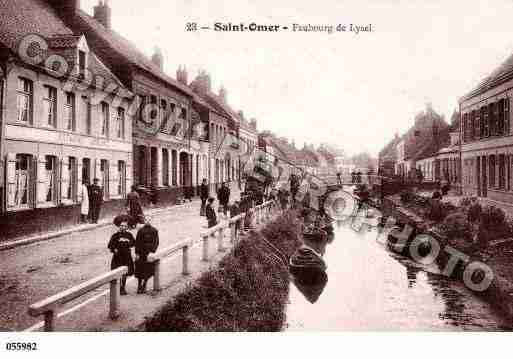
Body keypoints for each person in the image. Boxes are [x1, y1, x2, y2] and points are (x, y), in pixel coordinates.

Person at [108, 221, 135, 295]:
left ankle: (123, 288)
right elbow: (110, 245)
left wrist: (128, 242)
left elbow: (133, 243)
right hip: (118, 257)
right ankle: (118, 287)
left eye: (124, 226)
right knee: (117, 272)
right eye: (121, 226)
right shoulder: (115, 235)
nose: (122, 227)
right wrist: (114, 249)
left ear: (127, 227)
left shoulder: (129, 235)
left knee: (125, 273)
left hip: (126, 256)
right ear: (119, 227)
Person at [135, 217, 160, 294]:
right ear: (144, 221)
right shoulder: (140, 231)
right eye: (146, 220)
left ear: (151, 221)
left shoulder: (154, 230)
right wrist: (137, 253)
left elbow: (156, 242)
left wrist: (152, 251)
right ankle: (139, 286)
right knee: (140, 270)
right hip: (141, 253)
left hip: (149, 253)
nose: (147, 221)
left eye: (149, 220)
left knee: (148, 270)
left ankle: (144, 285)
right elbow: (137, 242)